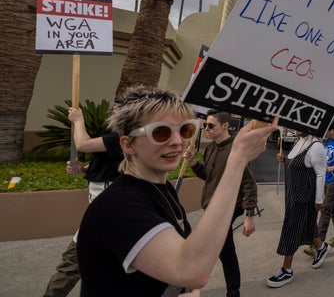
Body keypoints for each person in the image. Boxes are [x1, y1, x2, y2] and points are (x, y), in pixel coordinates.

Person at [76, 86, 277, 296]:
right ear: (128, 145)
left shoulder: (161, 189)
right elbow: (190, 270)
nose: (177, 141)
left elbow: (184, 264)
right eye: (160, 132)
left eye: (185, 130)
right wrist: (238, 159)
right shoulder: (117, 206)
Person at [44, 107, 122, 297]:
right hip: (102, 209)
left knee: (72, 262)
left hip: (105, 213)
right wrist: (83, 169)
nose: (114, 110)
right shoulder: (115, 137)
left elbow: (83, 144)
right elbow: (107, 169)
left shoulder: (122, 138)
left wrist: (79, 121)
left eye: (119, 108)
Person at [183, 110, 260, 297]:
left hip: (227, 208)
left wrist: (250, 215)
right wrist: (193, 161)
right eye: (205, 125)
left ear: (225, 126)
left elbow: (249, 183)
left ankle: (233, 292)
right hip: (211, 206)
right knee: (222, 250)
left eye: (211, 125)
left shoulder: (236, 149)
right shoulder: (210, 148)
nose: (206, 129)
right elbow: (208, 176)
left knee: (224, 252)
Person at [267, 130, 329, 288]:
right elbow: (296, 165)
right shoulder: (299, 142)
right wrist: (283, 160)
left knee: (292, 229)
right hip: (293, 195)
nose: (296, 128)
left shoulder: (316, 146)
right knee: (307, 224)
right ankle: (321, 247)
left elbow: (321, 174)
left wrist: (319, 200)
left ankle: (287, 270)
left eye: (300, 125)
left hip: (304, 197)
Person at [304, 120, 334, 255]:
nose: (324, 133)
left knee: (325, 209)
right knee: (333, 208)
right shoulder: (327, 142)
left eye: (326, 130)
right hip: (326, 179)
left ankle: (317, 245)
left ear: (332, 130)